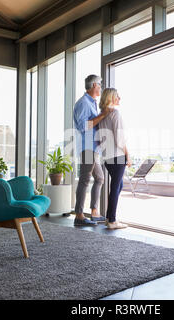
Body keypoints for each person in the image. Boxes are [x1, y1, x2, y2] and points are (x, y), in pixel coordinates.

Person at [73, 75, 113, 226]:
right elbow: (83, 126)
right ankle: (79, 215)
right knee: (84, 179)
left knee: (100, 178)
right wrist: (103, 115)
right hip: (87, 148)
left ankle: (94, 212)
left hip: (94, 148)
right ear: (94, 85)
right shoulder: (83, 103)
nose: (101, 88)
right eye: (100, 85)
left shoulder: (93, 103)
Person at [97, 88, 132, 229]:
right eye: (117, 96)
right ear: (111, 98)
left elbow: (100, 138)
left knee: (118, 185)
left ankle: (109, 218)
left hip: (107, 158)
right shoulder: (115, 114)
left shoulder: (102, 116)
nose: (120, 98)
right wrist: (128, 155)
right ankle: (112, 221)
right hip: (117, 156)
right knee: (116, 186)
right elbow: (120, 139)